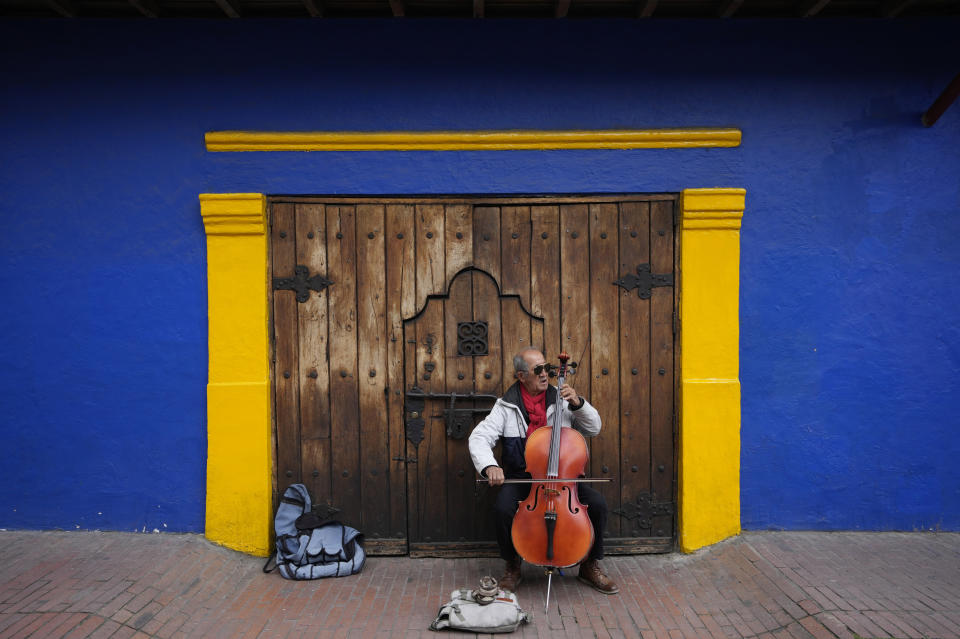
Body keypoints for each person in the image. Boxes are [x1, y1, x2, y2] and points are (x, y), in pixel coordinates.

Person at [468, 347, 619, 595]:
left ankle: (590, 565)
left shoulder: (561, 399)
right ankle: (513, 565)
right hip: (523, 478)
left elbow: (594, 428)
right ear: (521, 376)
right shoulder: (506, 406)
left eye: (547, 368)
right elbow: (479, 437)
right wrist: (490, 465)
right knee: (502, 509)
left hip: (563, 480)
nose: (544, 374)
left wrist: (578, 404)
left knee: (599, 505)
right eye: (537, 370)